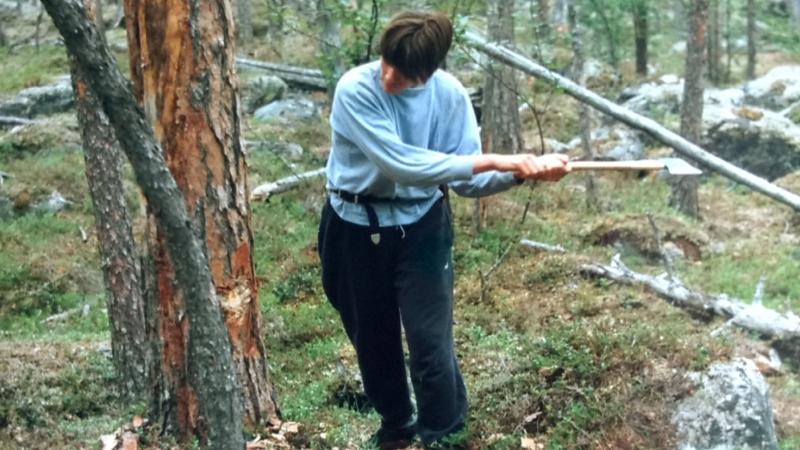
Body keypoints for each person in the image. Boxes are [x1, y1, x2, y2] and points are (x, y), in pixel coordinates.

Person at [317, 10, 570, 449]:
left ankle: (444, 435)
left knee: (430, 342)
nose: (390, 75)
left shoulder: (449, 96)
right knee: (372, 341)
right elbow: (401, 163)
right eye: (386, 62)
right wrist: (499, 159)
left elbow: (466, 181)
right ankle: (396, 427)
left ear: (430, 71)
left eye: (405, 72)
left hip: (421, 228)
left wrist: (525, 173)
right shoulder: (356, 89)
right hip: (354, 227)